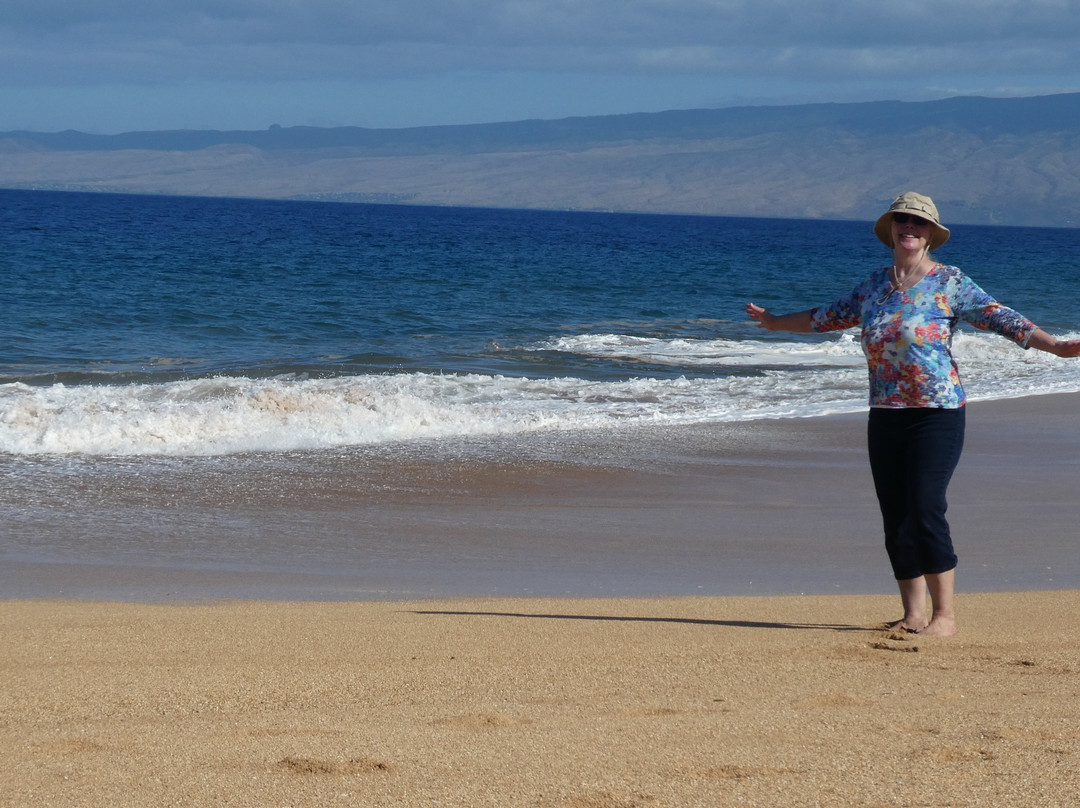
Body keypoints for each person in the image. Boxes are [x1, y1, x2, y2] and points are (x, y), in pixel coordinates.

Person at [745, 191, 1080, 636]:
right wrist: (773, 322)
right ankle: (914, 614)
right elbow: (824, 317)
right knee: (895, 513)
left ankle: (945, 617)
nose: (910, 227)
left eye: (919, 222)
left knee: (925, 505)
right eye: (903, 219)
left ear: (930, 234)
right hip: (885, 412)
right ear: (891, 229)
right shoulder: (873, 287)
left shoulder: (950, 282)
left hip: (937, 411)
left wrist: (1055, 346)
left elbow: (1000, 317)